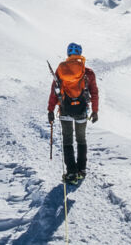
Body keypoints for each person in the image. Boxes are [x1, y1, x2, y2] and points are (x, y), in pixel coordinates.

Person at [47, 42, 98, 183]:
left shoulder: (61, 70)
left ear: (68, 54)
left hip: (65, 111)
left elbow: (54, 91)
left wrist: (50, 110)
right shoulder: (88, 73)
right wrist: (95, 111)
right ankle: (81, 170)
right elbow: (94, 92)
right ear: (80, 54)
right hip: (82, 110)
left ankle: (71, 173)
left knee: (67, 141)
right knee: (81, 140)